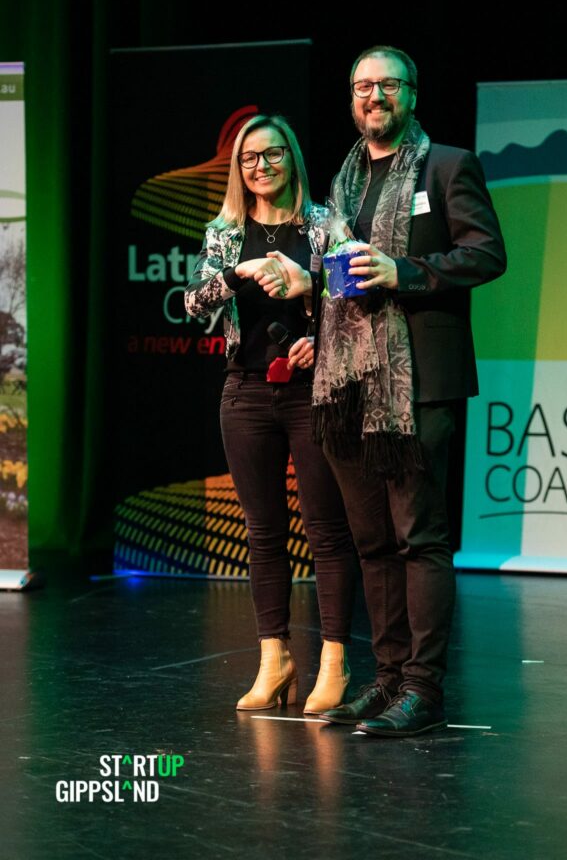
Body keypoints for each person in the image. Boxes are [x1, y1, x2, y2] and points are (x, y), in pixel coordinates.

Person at [312, 46, 507, 737]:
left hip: (421, 380)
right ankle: (389, 677)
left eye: (386, 85)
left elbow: (486, 253)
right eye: (361, 86)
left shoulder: (447, 164)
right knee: (371, 542)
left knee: (418, 538)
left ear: (411, 95)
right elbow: (335, 275)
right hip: (351, 384)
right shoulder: (341, 181)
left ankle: (424, 687)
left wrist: (406, 271)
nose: (373, 96)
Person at [185, 113, 356, 714]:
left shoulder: (323, 223)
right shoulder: (225, 231)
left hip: (315, 390)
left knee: (327, 530)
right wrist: (235, 275)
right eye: (249, 158)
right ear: (239, 168)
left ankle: (333, 662)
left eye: (272, 155)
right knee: (262, 533)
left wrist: (314, 308)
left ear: (292, 158)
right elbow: (192, 300)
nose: (261, 166)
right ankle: (274, 660)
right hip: (247, 392)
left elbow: (353, 298)